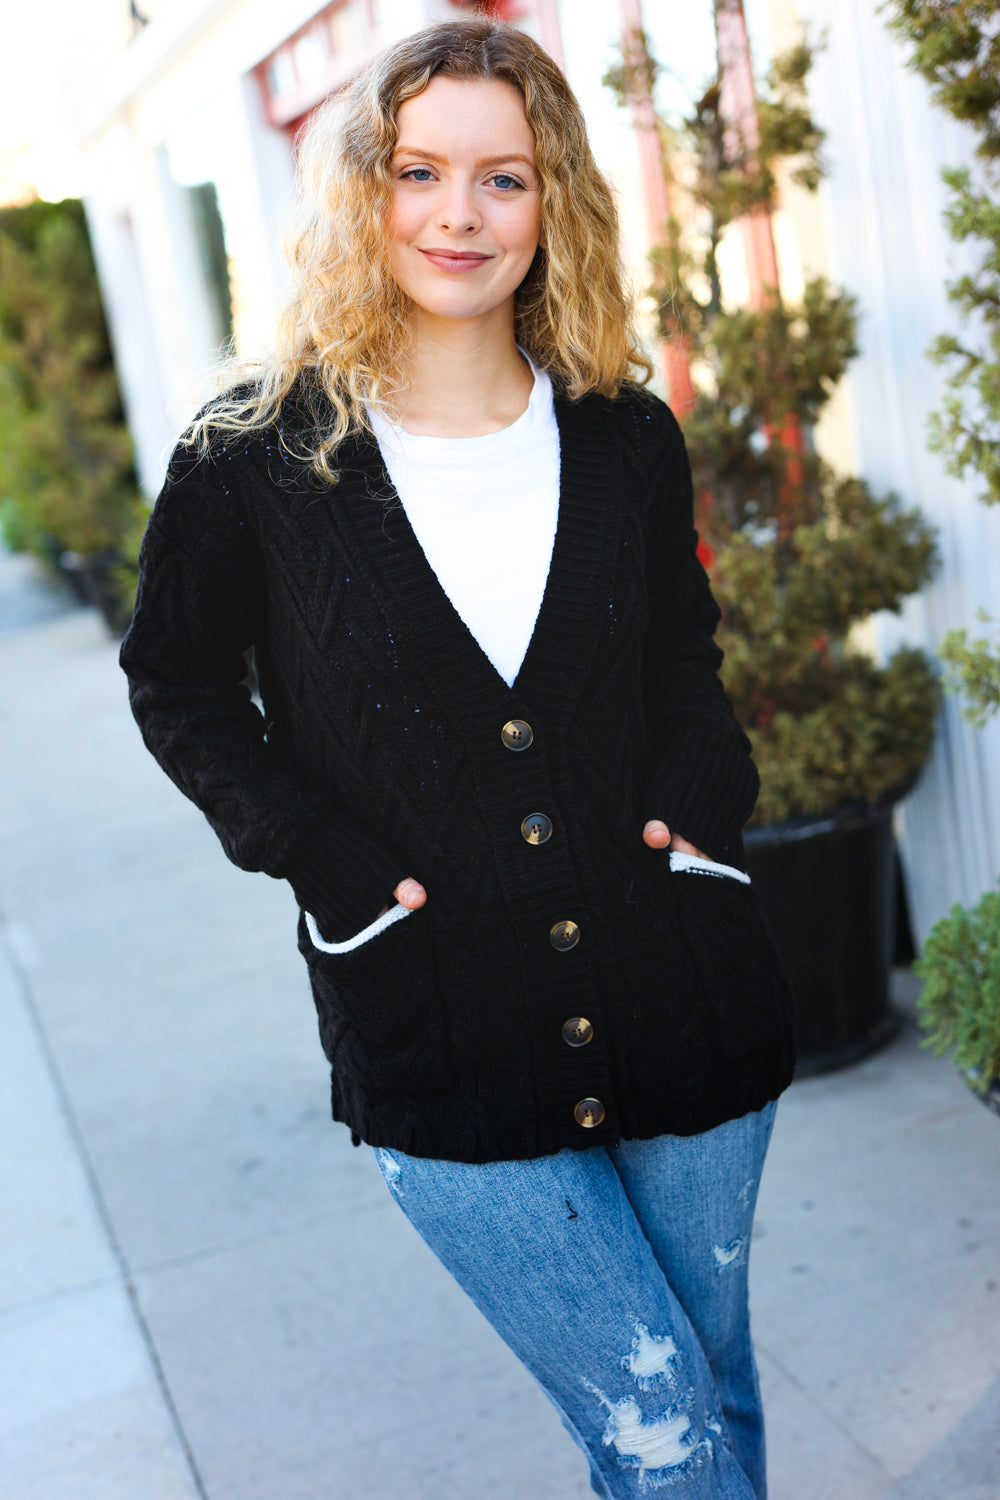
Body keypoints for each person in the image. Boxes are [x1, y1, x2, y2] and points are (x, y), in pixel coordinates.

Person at [120, 17, 795, 1498]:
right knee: (659, 1432)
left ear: (553, 202)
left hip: (683, 988)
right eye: (418, 171)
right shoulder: (254, 457)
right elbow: (175, 683)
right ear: (362, 191)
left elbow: (681, 662)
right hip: (443, 1025)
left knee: (714, 1387)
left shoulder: (625, 436)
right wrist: (320, 854)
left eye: (504, 177)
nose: (458, 215)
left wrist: (705, 796)